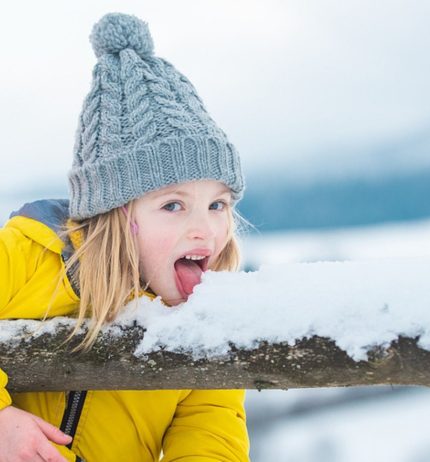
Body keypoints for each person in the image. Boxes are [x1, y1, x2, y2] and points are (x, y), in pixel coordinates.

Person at [0, 12, 249, 462]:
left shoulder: (208, 314)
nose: (205, 229)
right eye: (173, 205)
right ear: (114, 214)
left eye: (218, 205)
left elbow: (210, 423)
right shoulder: (25, 255)